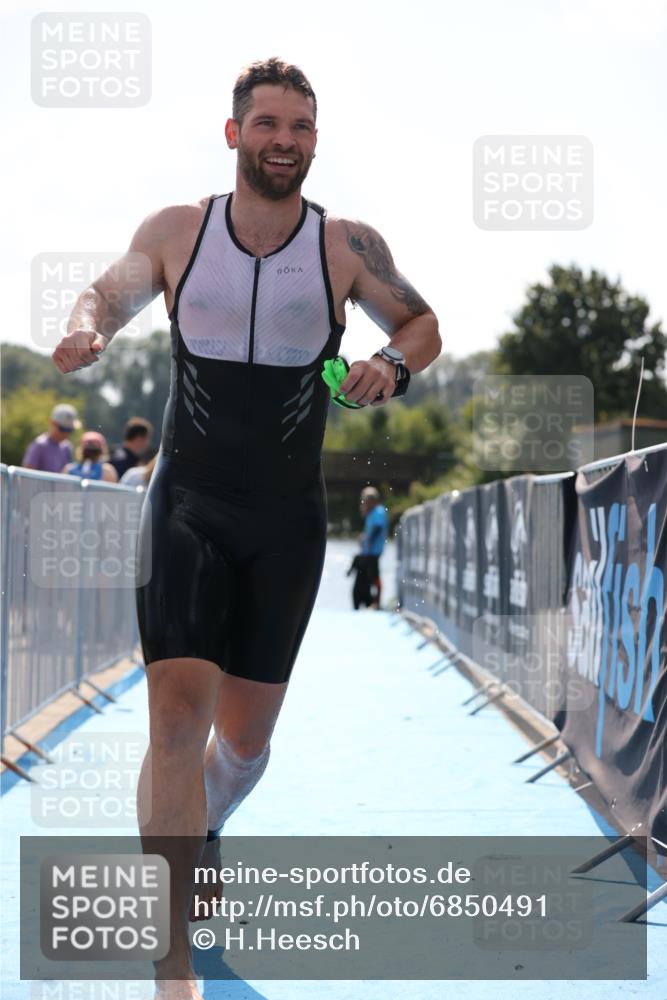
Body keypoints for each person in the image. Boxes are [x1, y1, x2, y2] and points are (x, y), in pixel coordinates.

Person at [51, 57, 441, 998]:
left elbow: (424, 323)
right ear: (234, 135)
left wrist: (390, 361)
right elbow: (107, 292)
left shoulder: (346, 245)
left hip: (285, 519)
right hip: (185, 501)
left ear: (313, 141)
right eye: (268, 124)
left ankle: (209, 823)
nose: (284, 141)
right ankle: (170, 965)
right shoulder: (179, 230)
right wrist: (87, 330)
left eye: (300, 128)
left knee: (246, 742)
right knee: (175, 723)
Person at [21, 402, 81, 473]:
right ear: (52, 423)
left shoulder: (67, 448)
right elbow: (27, 473)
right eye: (63, 429)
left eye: (70, 430)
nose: (66, 433)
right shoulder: (40, 445)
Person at [358, 485, 389, 609]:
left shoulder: (379, 511)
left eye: (366, 500)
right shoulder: (372, 512)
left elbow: (378, 527)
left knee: (375, 575)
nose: (365, 502)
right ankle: (372, 601)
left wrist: (370, 540)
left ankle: (377, 602)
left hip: (374, 550)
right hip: (369, 550)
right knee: (370, 575)